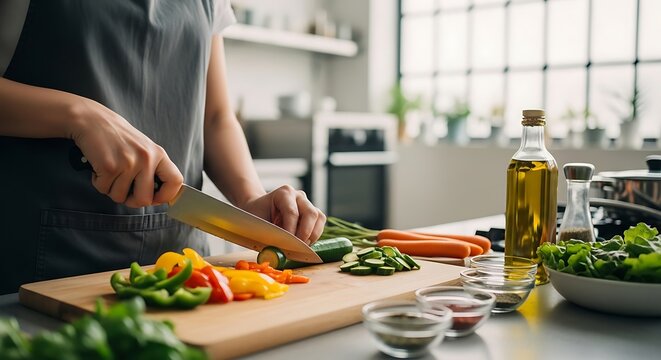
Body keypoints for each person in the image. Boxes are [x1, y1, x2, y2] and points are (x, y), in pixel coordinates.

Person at [0, 0, 326, 295]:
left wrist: (250, 199)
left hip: (185, 265)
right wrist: (79, 115)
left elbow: (215, 117)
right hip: (48, 266)